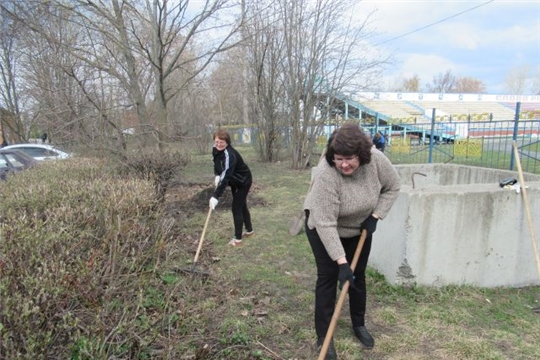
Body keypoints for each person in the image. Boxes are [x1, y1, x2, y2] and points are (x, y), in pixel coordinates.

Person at [303, 123, 400, 358]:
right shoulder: (327, 175)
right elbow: (326, 223)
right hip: (323, 226)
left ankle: (358, 324)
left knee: (358, 277)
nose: (343, 164)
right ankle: (324, 336)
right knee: (328, 279)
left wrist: (376, 216)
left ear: (362, 155)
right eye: (338, 159)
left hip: (360, 228)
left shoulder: (376, 160)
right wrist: (341, 262)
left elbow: (393, 186)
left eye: (349, 158)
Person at [209, 129, 254, 247]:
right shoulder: (215, 150)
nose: (219, 144)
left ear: (227, 142)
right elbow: (217, 164)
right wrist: (217, 175)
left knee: (236, 208)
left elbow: (227, 175)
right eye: (217, 141)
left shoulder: (230, 154)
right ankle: (249, 231)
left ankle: (238, 239)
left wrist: (215, 196)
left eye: (221, 142)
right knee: (242, 205)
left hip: (243, 181)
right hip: (234, 181)